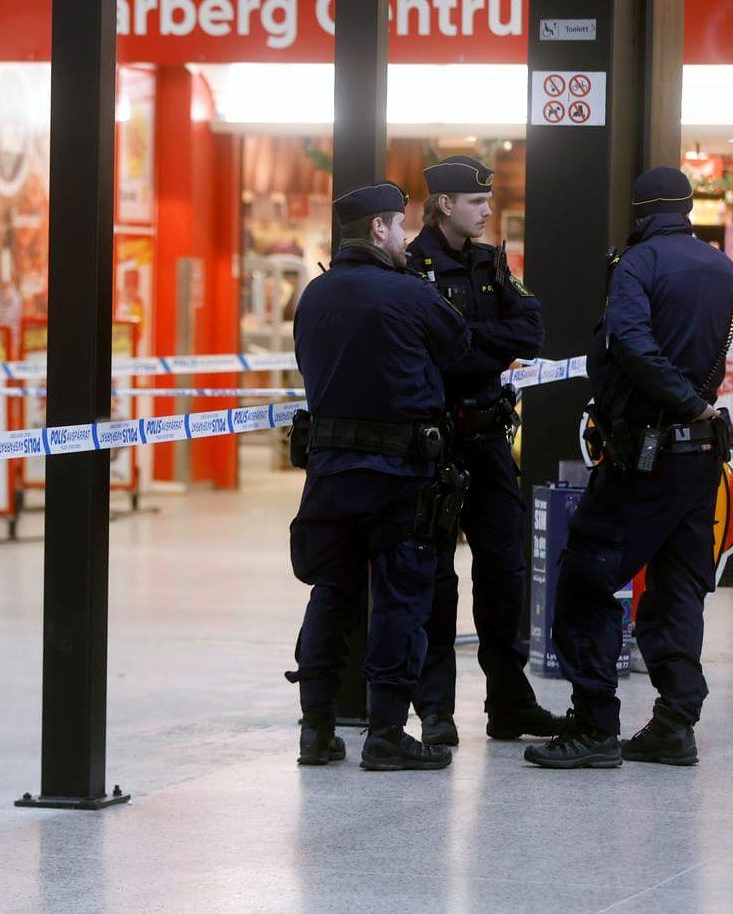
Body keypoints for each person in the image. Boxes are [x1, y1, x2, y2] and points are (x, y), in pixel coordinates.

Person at [525, 166, 733, 769]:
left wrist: (682, 398)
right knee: (678, 586)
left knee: (587, 577)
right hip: (700, 456)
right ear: (689, 207)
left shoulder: (637, 266)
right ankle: (675, 722)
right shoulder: (719, 266)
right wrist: (697, 404)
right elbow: (708, 350)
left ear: (640, 212)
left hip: (647, 455)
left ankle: (594, 725)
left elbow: (633, 344)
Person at [285, 180, 470, 772]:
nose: (406, 238)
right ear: (378, 230)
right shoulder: (408, 295)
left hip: (330, 475)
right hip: (400, 475)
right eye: (400, 225)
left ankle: (315, 729)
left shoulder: (312, 297)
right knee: (400, 596)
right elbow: (459, 344)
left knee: (331, 592)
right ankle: (386, 732)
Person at [405, 155, 565, 747]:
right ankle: (435, 708)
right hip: (434, 445)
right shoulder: (411, 266)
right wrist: (480, 349)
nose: (487, 209)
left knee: (504, 569)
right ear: (444, 203)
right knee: (434, 576)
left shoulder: (490, 263)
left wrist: (470, 342)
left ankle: (509, 702)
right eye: (477, 201)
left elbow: (531, 331)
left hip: (487, 439)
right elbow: (429, 353)